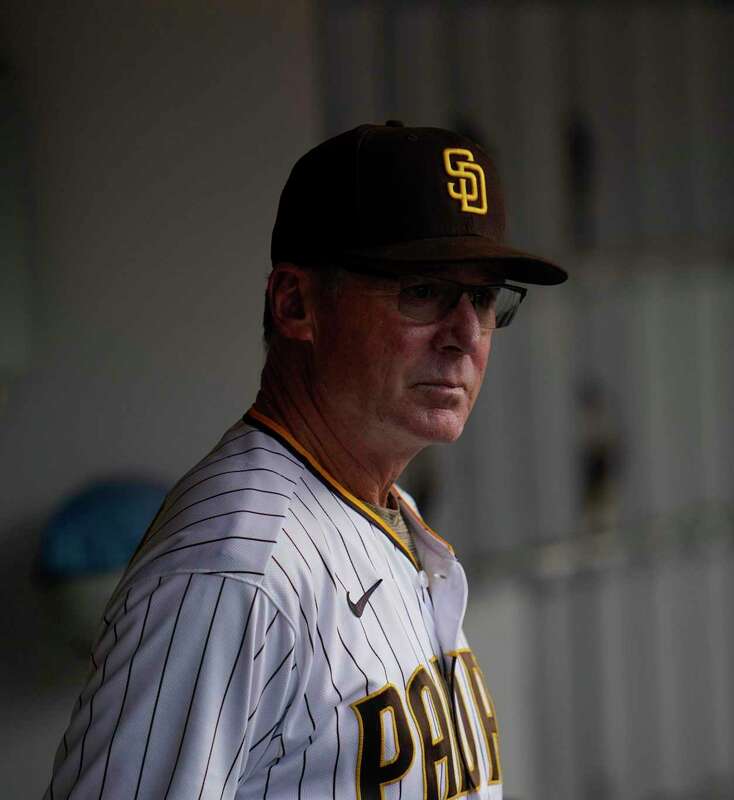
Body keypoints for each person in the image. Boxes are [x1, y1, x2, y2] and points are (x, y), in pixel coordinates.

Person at [45, 121, 566, 800]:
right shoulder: (235, 568)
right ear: (296, 303)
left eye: (484, 296)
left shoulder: (377, 507)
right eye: (422, 290)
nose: (465, 333)